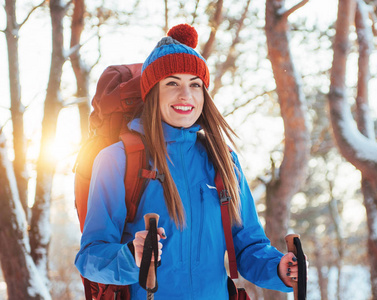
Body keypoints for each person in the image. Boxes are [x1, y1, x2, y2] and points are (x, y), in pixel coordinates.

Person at [75, 23, 301, 299]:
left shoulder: (223, 161)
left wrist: (278, 268)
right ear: (151, 93)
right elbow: (89, 257)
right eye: (172, 83)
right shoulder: (118, 160)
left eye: (195, 84)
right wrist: (130, 256)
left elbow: (248, 246)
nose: (186, 95)